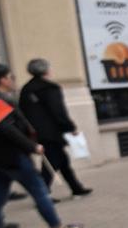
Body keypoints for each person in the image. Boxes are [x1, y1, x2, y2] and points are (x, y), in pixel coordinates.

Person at [0, 66, 82, 228]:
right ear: (2, 80)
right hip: (12, 156)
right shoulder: (1, 100)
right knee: (39, 191)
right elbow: (7, 129)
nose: (12, 79)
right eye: (9, 77)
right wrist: (31, 146)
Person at [16, 59, 91, 198]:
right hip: (52, 131)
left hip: (36, 131)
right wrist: (70, 127)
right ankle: (42, 193)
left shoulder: (26, 89)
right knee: (51, 162)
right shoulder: (50, 88)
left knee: (62, 160)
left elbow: (22, 111)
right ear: (46, 70)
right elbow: (58, 111)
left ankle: (76, 188)